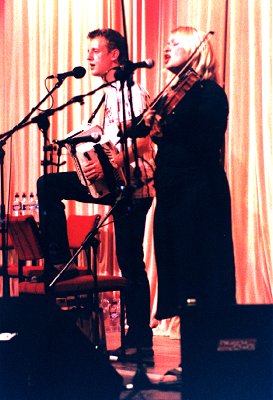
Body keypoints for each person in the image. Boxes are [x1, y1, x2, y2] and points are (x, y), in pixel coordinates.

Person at [37, 28, 155, 359]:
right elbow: (113, 138)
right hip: (114, 182)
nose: (89, 57)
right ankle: (60, 257)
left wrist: (110, 162)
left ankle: (141, 339)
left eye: (95, 50)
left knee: (131, 261)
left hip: (134, 186)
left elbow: (143, 142)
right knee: (49, 184)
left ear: (114, 54)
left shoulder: (132, 90)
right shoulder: (109, 93)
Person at [143, 26, 236, 379]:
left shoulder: (208, 93)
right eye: (165, 42)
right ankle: (191, 359)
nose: (166, 47)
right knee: (181, 276)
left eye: (175, 43)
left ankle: (207, 361)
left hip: (200, 197)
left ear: (196, 50)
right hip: (173, 196)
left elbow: (205, 140)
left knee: (202, 275)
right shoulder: (170, 99)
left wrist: (163, 129)